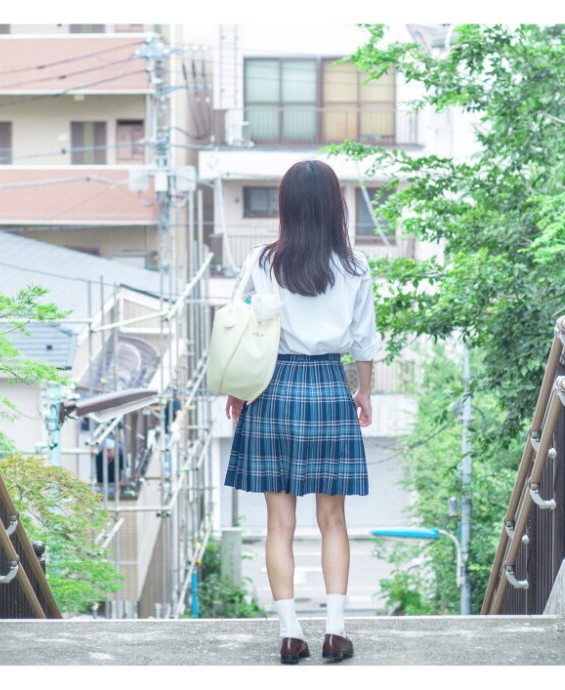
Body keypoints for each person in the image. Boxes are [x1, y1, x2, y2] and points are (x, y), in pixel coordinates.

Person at [223, 159, 382, 664]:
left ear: (286, 206)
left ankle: (290, 634)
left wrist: (237, 387)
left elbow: (240, 327)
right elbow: (364, 340)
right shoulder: (354, 265)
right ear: (335, 204)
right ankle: (335, 631)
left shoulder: (261, 262)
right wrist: (365, 392)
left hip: (271, 387)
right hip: (329, 386)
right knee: (333, 519)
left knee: (279, 522)